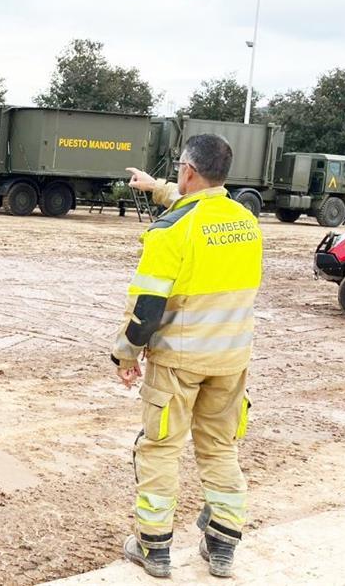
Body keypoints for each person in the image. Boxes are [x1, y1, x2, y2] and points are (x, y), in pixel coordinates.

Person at [115, 133, 262, 579]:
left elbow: (147, 308)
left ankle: (153, 546)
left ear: (188, 171)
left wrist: (126, 354)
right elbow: (198, 206)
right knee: (220, 449)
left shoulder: (171, 231)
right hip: (231, 359)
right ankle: (222, 545)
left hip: (180, 361)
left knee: (160, 448)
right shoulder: (246, 220)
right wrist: (153, 186)